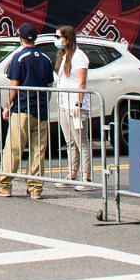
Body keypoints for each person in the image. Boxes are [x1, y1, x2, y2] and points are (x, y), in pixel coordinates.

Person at [0, 24, 54, 199]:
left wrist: (7, 105)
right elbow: (49, 86)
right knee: (38, 151)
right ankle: (35, 189)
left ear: (20, 37)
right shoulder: (45, 58)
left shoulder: (19, 57)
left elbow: (14, 85)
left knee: (13, 148)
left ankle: (4, 186)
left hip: (22, 108)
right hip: (41, 110)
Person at [51, 25, 92, 182]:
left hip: (75, 105)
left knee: (81, 141)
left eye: (58, 37)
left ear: (67, 39)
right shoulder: (63, 56)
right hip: (63, 103)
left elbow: (81, 82)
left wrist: (78, 104)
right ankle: (72, 173)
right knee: (69, 141)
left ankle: (86, 177)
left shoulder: (79, 56)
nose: (56, 40)